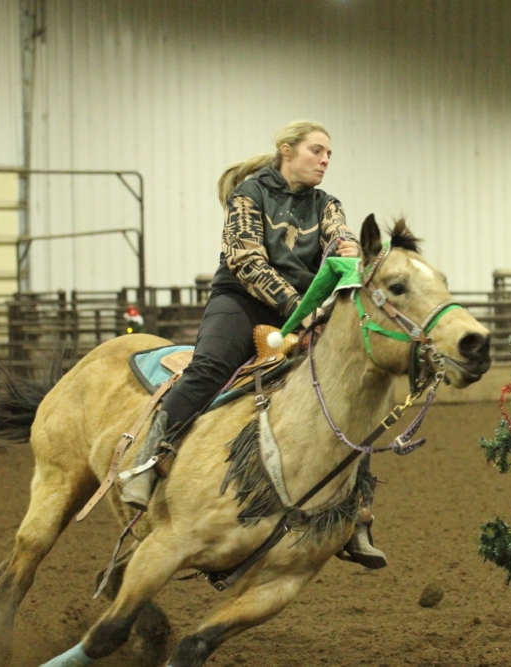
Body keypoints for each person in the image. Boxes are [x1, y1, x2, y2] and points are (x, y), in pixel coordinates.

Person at [119, 120, 386, 568]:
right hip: (242, 301)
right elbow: (247, 262)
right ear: (287, 150)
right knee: (209, 366)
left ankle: (354, 511)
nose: (325, 160)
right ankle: (149, 458)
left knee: (344, 396)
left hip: (302, 307)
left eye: (329, 154)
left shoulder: (326, 204)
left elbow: (340, 237)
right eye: (316, 150)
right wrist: (300, 309)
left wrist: (349, 252)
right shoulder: (249, 195)